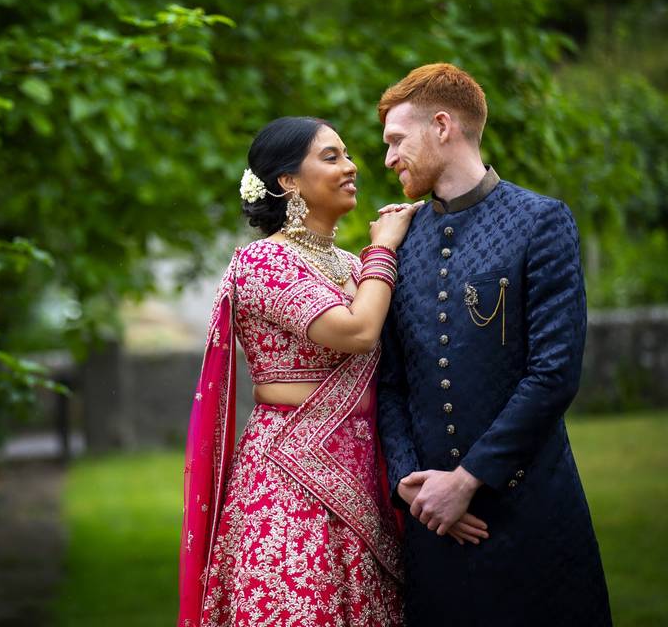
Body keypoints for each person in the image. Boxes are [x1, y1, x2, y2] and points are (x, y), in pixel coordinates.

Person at [177, 116, 487, 627]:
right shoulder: (263, 261)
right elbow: (356, 331)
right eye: (331, 157)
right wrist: (385, 248)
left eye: (346, 155)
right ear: (288, 182)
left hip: (363, 472)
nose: (352, 167)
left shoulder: (350, 266)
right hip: (287, 482)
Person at [376, 63, 612, 626]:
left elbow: (553, 373)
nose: (387, 159)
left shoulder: (541, 222)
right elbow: (388, 383)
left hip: (532, 514)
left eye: (396, 140)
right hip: (433, 526)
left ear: (442, 126)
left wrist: (467, 480)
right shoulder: (398, 241)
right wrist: (414, 486)